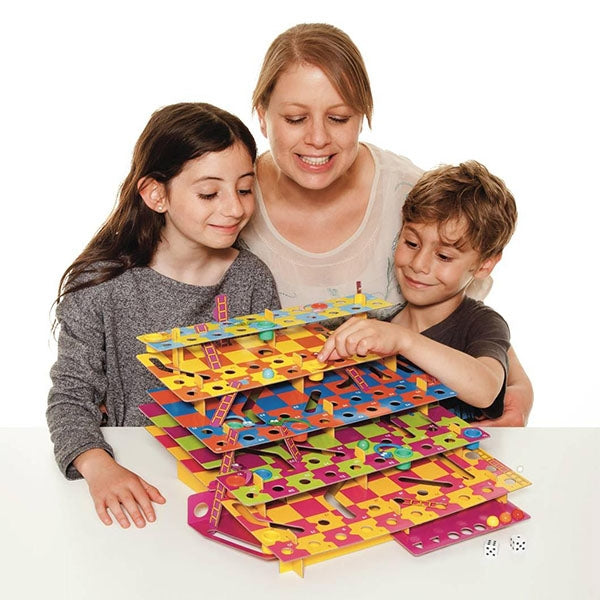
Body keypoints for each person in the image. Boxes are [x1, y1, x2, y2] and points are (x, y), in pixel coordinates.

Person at [239, 22, 533, 426]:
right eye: (295, 118)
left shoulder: (414, 197)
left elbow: (466, 318)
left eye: (338, 118)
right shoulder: (227, 202)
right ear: (262, 115)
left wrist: (520, 391)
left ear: (362, 116)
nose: (317, 138)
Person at [47, 102, 280, 529]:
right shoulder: (100, 285)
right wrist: (100, 467)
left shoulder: (252, 278)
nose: (234, 208)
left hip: (231, 481)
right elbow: (70, 397)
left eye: (245, 189)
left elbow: (271, 390)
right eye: (209, 193)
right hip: (140, 480)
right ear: (156, 194)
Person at [318, 161, 516, 422]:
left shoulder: (481, 323)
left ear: (484, 265)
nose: (418, 264)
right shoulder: (381, 325)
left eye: (443, 256)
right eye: (411, 243)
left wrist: (404, 340)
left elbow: (486, 389)